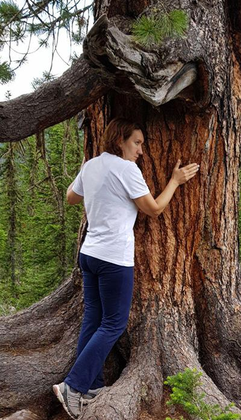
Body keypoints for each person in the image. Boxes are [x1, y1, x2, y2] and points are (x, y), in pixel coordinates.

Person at [52, 117, 199, 419]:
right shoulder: (127, 169)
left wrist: (97, 192)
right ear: (120, 139)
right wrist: (175, 180)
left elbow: (70, 197)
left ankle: (91, 386)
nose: (141, 150)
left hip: (89, 254)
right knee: (114, 324)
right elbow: (154, 209)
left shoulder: (92, 164)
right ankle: (73, 385)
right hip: (113, 258)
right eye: (137, 142)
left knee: (93, 319)